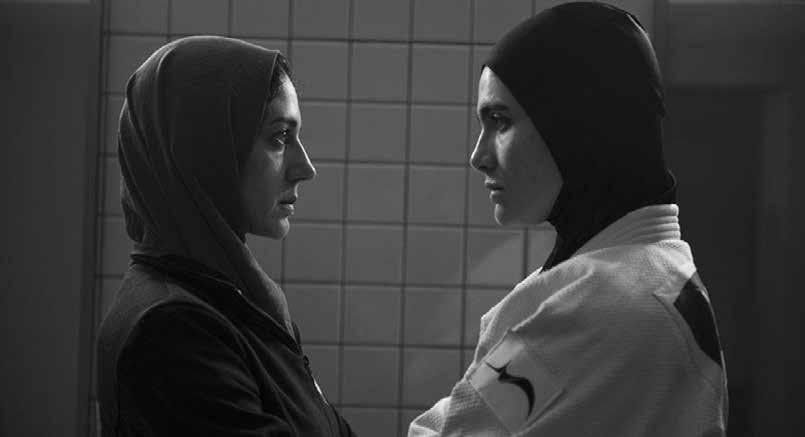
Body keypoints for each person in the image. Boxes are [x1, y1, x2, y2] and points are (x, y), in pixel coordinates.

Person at [409, 2, 728, 436]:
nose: (478, 156)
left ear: (575, 126)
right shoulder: (657, 270)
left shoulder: (600, 306)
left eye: (500, 121)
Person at [96, 36, 355, 436]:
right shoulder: (172, 333)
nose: (305, 168)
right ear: (206, 149)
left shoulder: (234, 301)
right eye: (280, 137)